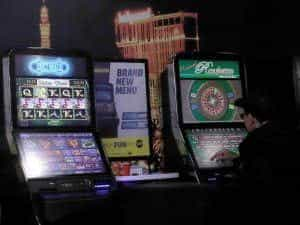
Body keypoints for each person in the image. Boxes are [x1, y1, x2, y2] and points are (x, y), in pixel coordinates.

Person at [209, 93, 297, 224]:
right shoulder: (292, 133)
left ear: (252, 117)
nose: (243, 120)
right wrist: (238, 158)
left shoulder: (252, 141)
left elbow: (251, 180)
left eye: (243, 116)